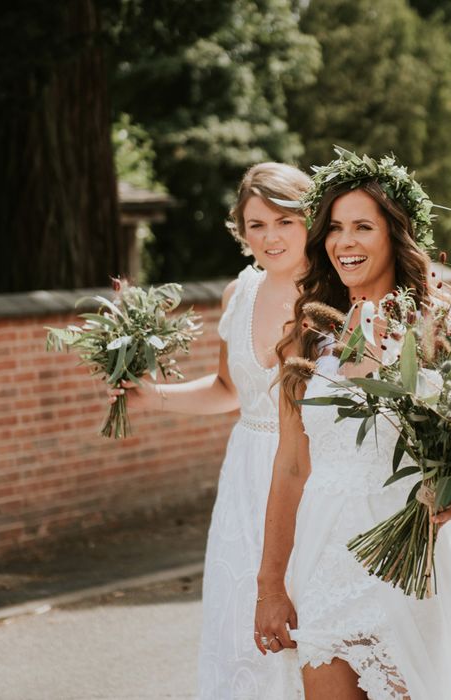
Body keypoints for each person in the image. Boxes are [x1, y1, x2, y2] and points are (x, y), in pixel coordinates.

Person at [253, 151, 451, 700]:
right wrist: (270, 586)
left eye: (363, 227)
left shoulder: (442, 326)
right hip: (325, 552)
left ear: (396, 235)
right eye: (335, 229)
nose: (344, 242)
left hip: (412, 556)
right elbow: (292, 465)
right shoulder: (307, 339)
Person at [108, 163, 310, 699]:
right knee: (243, 623)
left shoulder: (335, 292)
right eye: (256, 224)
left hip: (311, 474)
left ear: (310, 221)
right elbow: (228, 389)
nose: (270, 236)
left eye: (285, 221)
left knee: (308, 619)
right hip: (246, 476)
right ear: (240, 231)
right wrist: (150, 395)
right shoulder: (238, 294)